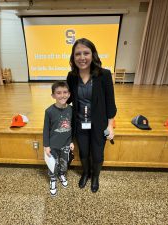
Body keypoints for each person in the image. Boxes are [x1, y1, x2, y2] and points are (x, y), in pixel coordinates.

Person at [66, 38, 117, 193]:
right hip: (80, 122)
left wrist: (110, 125)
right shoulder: (71, 76)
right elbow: (70, 99)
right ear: (73, 58)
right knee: (83, 152)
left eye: (86, 53)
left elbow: (110, 102)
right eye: (78, 54)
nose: (82, 57)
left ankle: (95, 177)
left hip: (99, 123)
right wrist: (59, 97)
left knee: (97, 152)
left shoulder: (104, 75)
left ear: (93, 54)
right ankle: (86, 173)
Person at [43, 81, 74, 197]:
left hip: (66, 144)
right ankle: (53, 179)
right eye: (58, 93)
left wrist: (71, 141)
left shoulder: (71, 110)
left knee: (64, 163)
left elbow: (72, 127)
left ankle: (61, 174)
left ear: (69, 94)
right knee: (53, 164)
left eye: (65, 92)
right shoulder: (49, 111)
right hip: (53, 145)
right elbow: (46, 129)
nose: (62, 95)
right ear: (53, 96)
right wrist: (46, 145)